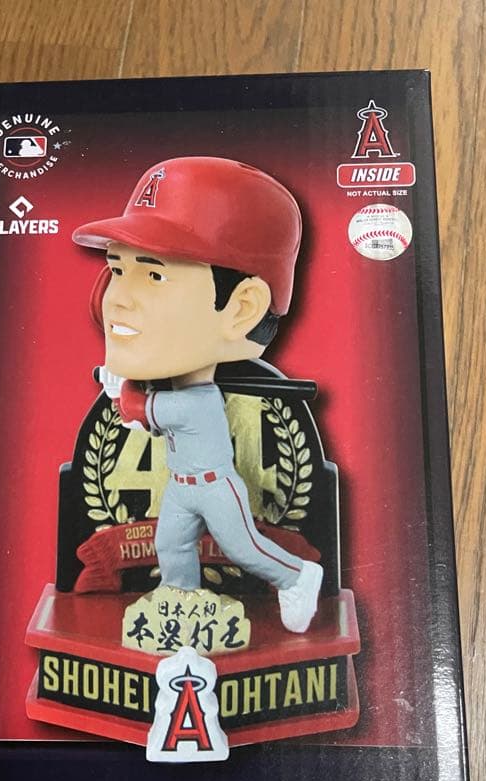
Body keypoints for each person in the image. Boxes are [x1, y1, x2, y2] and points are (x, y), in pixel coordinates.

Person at [72, 156, 322, 633]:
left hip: (215, 487)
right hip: (184, 487)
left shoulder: (196, 402)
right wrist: (122, 383)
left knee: (242, 546)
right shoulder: (174, 387)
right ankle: (181, 609)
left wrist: (121, 389)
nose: (117, 298)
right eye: (117, 270)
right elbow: (141, 413)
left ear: (242, 309)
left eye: (154, 275)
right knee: (171, 546)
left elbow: (138, 410)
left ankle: (296, 576)